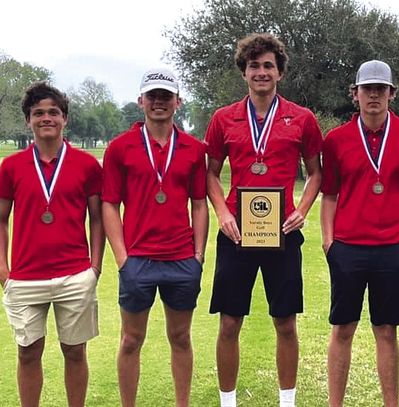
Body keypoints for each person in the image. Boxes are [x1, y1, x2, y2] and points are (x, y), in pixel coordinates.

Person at [205, 33, 323, 407]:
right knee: (229, 322)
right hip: (237, 232)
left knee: (285, 323)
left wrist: (302, 210)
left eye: (268, 66)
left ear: (279, 72)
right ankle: (228, 402)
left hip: (282, 234)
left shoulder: (301, 118)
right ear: (244, 72)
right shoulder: (224, 118)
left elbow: (316, 172)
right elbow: (210, 172)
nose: (261, 72)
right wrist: (222, 212)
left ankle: (286, 401)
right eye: (254, 66)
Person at [321, 60, 399, 407]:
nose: (373, 95)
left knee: (386, 331)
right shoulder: (336, 139)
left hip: (391, 250)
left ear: (391, 94)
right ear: (354, 94)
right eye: (366, 89)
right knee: (343, 329)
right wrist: (329, 244)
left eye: (380, 89)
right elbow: (329, 196)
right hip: (348, 248)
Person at [102, 68, 208, 407]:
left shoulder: (194, 148)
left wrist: (199, 255)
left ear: (178, 102)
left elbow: (199, 203)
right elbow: (109, 205)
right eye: (153, 96)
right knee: (131, 340)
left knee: (180, 337)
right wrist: (122, 259)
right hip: (138, 260)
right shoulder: (120, 148)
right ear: (141, 101)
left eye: (166, 96)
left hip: (180, 259)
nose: (159, 102)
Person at [0, 82, 104, 407]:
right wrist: (4, 270)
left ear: (65, 119)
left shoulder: (87, 165)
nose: (47, 118)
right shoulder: (11, 167)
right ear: (28, 120)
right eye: (38, 113)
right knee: (28, 352)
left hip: (74, 274)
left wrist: (95, 267)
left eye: (53, 112)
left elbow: (98, 219)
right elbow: (0, 219)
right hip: (25, 277)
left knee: (75, 351)